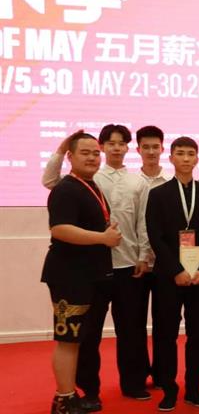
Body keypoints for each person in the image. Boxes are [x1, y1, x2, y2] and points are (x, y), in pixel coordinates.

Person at [43, 125, 153, 411]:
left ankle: (132, 383)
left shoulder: (131, 181)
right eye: (87, 152)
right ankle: (84, 391)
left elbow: (143, 221)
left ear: (128, 148)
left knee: (131, 330)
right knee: (85, 336)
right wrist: (61, 149)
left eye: (120, 143)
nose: (94, 156)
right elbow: (58, 217)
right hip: (85, 273)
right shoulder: (79, 182)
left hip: (125, 265)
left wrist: (144, 255)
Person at [42, 132, 121, 414]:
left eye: (95, 153)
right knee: (68, 340)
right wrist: (102, 238)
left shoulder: (89, 185)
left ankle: (70, 395)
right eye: (85, 153)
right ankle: (64, 399)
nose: (92, 158)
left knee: (80, 340)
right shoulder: (65, 188)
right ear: (70, 157)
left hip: (90, 275)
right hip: (69, 276)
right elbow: (60, 229)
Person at [146, 136, 199, 411]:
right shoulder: (158, 194)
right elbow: (155, 237)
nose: (186, 158)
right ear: (171, 158)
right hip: (169, 277)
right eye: (180, 153)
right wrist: (176, 270)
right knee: (165, 334)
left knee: (197, 334)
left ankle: (193, 389)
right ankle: (168, 389)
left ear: (197, 158)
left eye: (190, 154)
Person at [135, 125, 173, 388]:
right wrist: (141, 255)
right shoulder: (130, 182)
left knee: (165, 324)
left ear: (162, 149)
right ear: (138, 149)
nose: (151, 151)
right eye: (145, 147)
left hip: (164, 264)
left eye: (155, 147)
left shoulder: (172, 182)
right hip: (134, 264)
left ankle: (163, 376)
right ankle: (137, 377)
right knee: (135, 324)